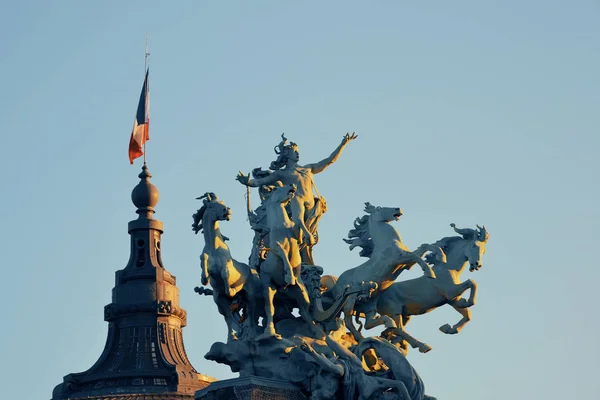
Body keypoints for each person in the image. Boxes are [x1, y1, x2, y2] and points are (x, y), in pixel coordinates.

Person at [236, 133, 357, 254]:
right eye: (294, 151)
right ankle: (301, 238)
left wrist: (343, 144)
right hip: (297, 201)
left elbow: (329, 161)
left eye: (297, 151)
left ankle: (303, 244)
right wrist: (247, 182)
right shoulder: (281, 174)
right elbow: (260, 181)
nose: (297, 153)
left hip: (312, 205)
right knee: (297, 213)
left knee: (304, 239)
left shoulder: (308, 169)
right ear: (287, 155)